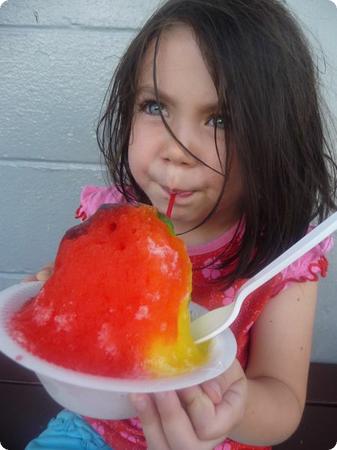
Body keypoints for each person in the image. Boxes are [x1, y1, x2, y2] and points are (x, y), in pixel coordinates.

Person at [25, 0, 337, 449]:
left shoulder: (283, 258)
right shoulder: (112, 220)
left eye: (220, 119)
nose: (178, 150)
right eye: (155, 106)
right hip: (97, 429)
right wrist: (65, 300)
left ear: (277, 138)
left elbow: (283, 402)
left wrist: (233, 404)